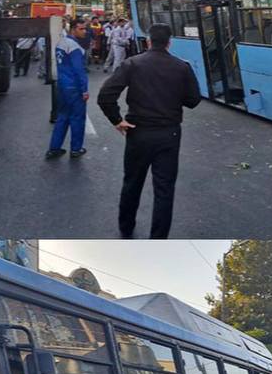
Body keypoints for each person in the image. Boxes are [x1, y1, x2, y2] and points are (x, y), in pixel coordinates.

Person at [97, 23, 201, 239]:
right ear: (170, 42)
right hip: (169, 135)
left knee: (132, 183)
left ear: (148, 41)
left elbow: (106, 95)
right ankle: (159, 236)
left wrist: (117, 120)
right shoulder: (182, 67)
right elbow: (193, 100)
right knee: (164, 190)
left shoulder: (132, 64)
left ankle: (126, 229)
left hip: (138, 133)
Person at [46, 17, 89, 160]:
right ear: (73, 29)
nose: (85, 31)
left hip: (62, 86)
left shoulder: (61, 43)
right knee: (77, 118)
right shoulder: (74, 47)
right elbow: (79, 71)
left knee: (62, 117)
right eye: (81, 29)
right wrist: (84, 89)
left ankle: (54, 148)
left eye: (85, 28)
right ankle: (76, 149)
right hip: (74, 87)